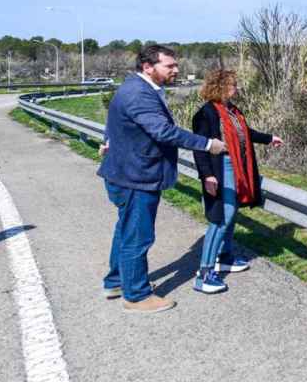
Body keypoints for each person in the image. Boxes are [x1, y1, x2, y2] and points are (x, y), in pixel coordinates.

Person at [97, 44, 227, 313]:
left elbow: (115, 122)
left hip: (127, 172)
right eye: (170, 65)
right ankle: (136, 296)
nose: (176, 70)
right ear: (148, 66)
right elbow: (164, 132)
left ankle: (116, 281)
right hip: (136, 176)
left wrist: (107, 140)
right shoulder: (139, 93)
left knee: (126, 229)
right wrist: (207, 144)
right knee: (138, 236)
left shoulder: (135, 88)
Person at [191, 69, 282, 294]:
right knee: (222, 217)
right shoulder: (207, 113)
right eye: (233, 84)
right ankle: (204, 273)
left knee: (231, 215)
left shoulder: (232, 110)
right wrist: (207, 176)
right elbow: (200, 147)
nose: (236, 88)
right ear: (220, 86)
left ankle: (225, 256)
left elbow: (245, 133)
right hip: (219, 168)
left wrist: (269, 139)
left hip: (236, 166)